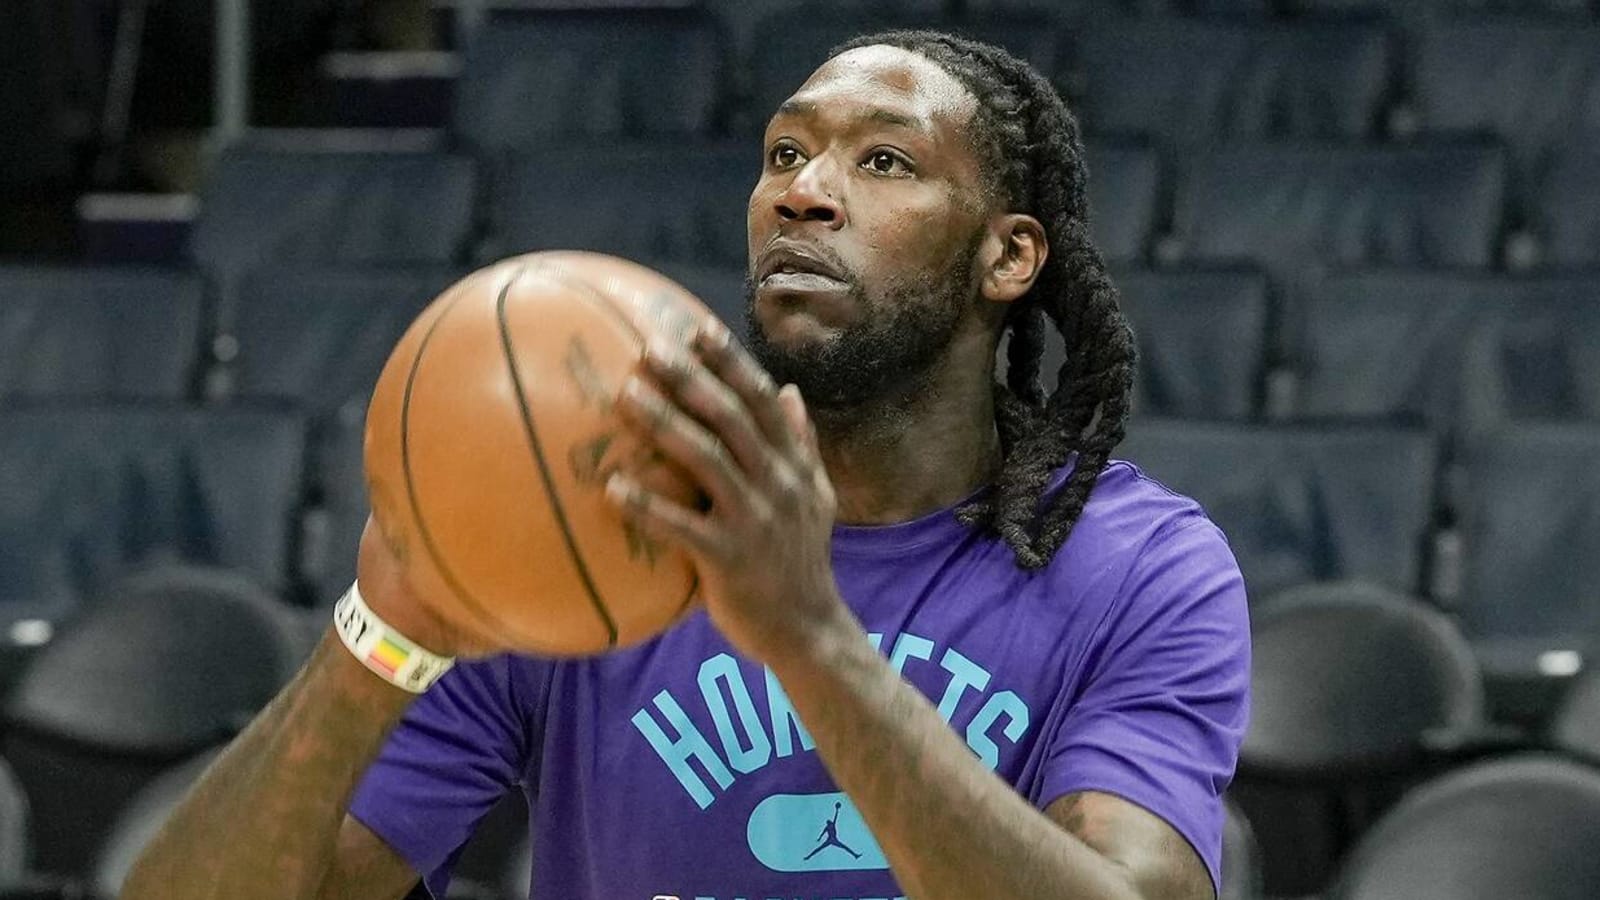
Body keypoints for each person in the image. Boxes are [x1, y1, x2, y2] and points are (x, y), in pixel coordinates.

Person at [122, 30, 1249, 900]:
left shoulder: (1140, 568)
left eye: (886, 160)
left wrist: (809, 642)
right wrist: (379, 634)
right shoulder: (593, 516)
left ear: (1007, 256)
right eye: (786, 153)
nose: (803, 189)